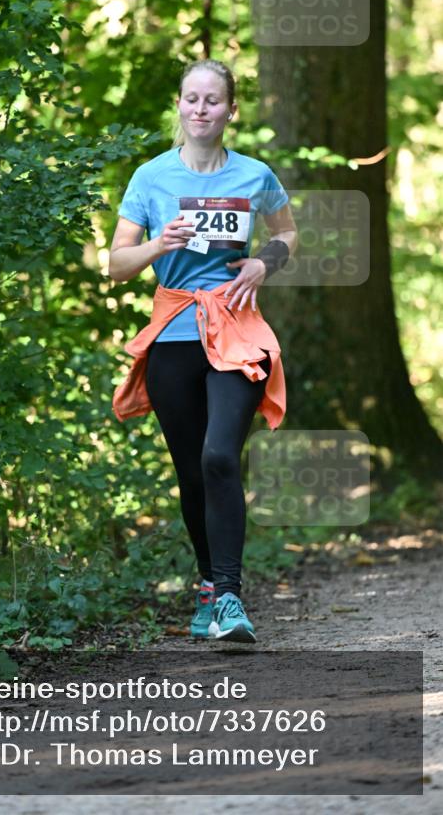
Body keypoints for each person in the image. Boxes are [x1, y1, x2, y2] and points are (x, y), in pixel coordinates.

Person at [108, 59, 297, 643]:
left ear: (230, 110)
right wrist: (159, 243)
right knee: (192, 472)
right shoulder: (151, 177)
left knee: (220, 457)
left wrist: (266, 262)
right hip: (173, 333)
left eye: (212, 100)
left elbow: (287, 233)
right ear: (179, 107)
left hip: (236, 331)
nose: (200, 109)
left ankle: (232, 598)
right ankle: (209, 590)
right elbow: (114, 265)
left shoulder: (254, 174)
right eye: (191, 98)